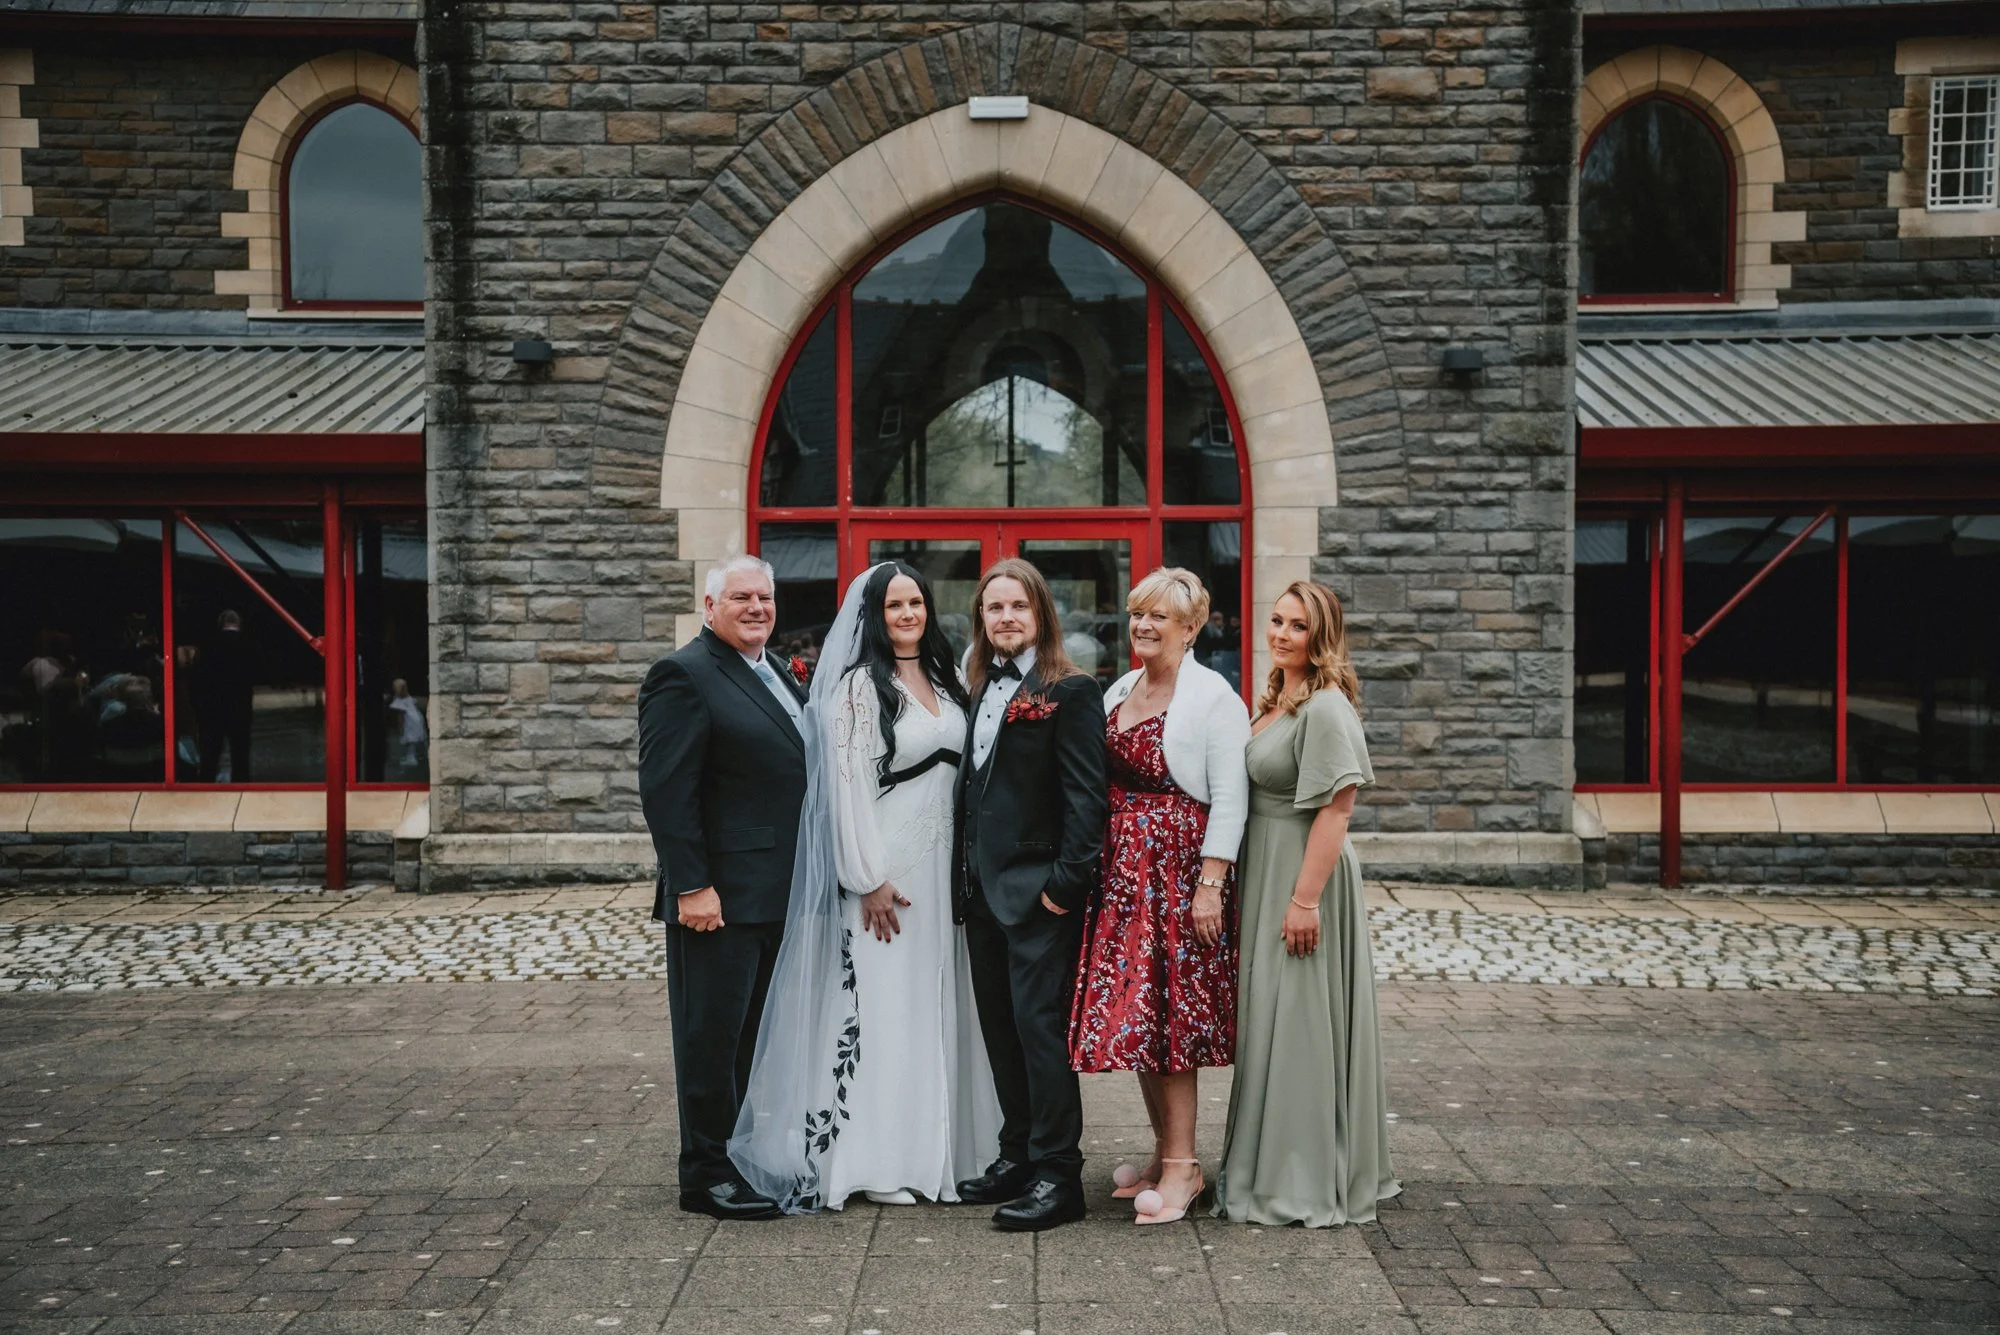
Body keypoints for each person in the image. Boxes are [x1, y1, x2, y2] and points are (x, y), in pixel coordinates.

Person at [730, 562, 1002, 1211]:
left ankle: (947, 1151)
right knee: (882, 1011)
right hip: (890, 875)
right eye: (894, 605)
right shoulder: (856, 688)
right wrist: (866, 878)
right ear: (874, 615)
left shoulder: (945, 677)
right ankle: (876, 1159)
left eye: (916, 602)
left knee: (939, 1005)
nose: (908, 614)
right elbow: (845, 791)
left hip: (944, 876)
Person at [1215, 580, 1400, 1228]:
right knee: (1268, 1019)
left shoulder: (1324, 707)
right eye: (1276, 620)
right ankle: (1265, 1161)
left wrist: (1305, 900)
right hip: (1268, 869)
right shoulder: (1277, 698)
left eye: (1297, 626)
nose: (1282, 633)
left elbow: (1338, 806)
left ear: (1321, 636)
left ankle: (1299, 1174)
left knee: (1295, 1022)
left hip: (1301, 874)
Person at [1070, 567, 1250, 1225]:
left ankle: (1184, 1167)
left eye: (1159, 618)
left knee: (1172, 1018)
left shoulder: (1213, 696)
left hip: (1177, 875)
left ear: (1192, 627)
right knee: (1139, 1018)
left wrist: (1211, 884)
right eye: (1137, 614)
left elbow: (1232, 795)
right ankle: (1162, 1153)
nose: (1144, 626)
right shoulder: (1124, 686)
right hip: (1124, 875)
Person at [638, 555, 810, 1222]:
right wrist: (692, 886)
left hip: (774, 893)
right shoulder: (682, 674)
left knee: (748, 1040)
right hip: (718, 898)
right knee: (711, 1039)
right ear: (710, 606)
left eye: (764, 596)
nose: (756, 607)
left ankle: (738, 1157)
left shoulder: (772, 670)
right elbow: (666, 791)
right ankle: (705, 1174)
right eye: (741, 597)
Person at [953, 558, 1109, 1232]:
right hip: (981, 896)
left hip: (1038, 898)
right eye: (994, 608)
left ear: (1042, 614)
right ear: (982, 620)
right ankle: (1015, 1153)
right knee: (1002, 1032)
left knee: (1040, 1035)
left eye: (1018, 606)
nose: (1006, 617)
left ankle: (1057, 1174)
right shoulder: (979, 685)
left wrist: (1061, 890)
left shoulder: (1069, 691)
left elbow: (1086, 801)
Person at [197, 609, 257, 783]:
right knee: (240, 752)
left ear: (221, 624)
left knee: (211, 752)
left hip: (214, 706)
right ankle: (241, 784)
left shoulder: (210, 644)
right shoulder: (248, 643)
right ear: (239, 624)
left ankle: (206, 784)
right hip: (240, 706)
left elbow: (201, 675)